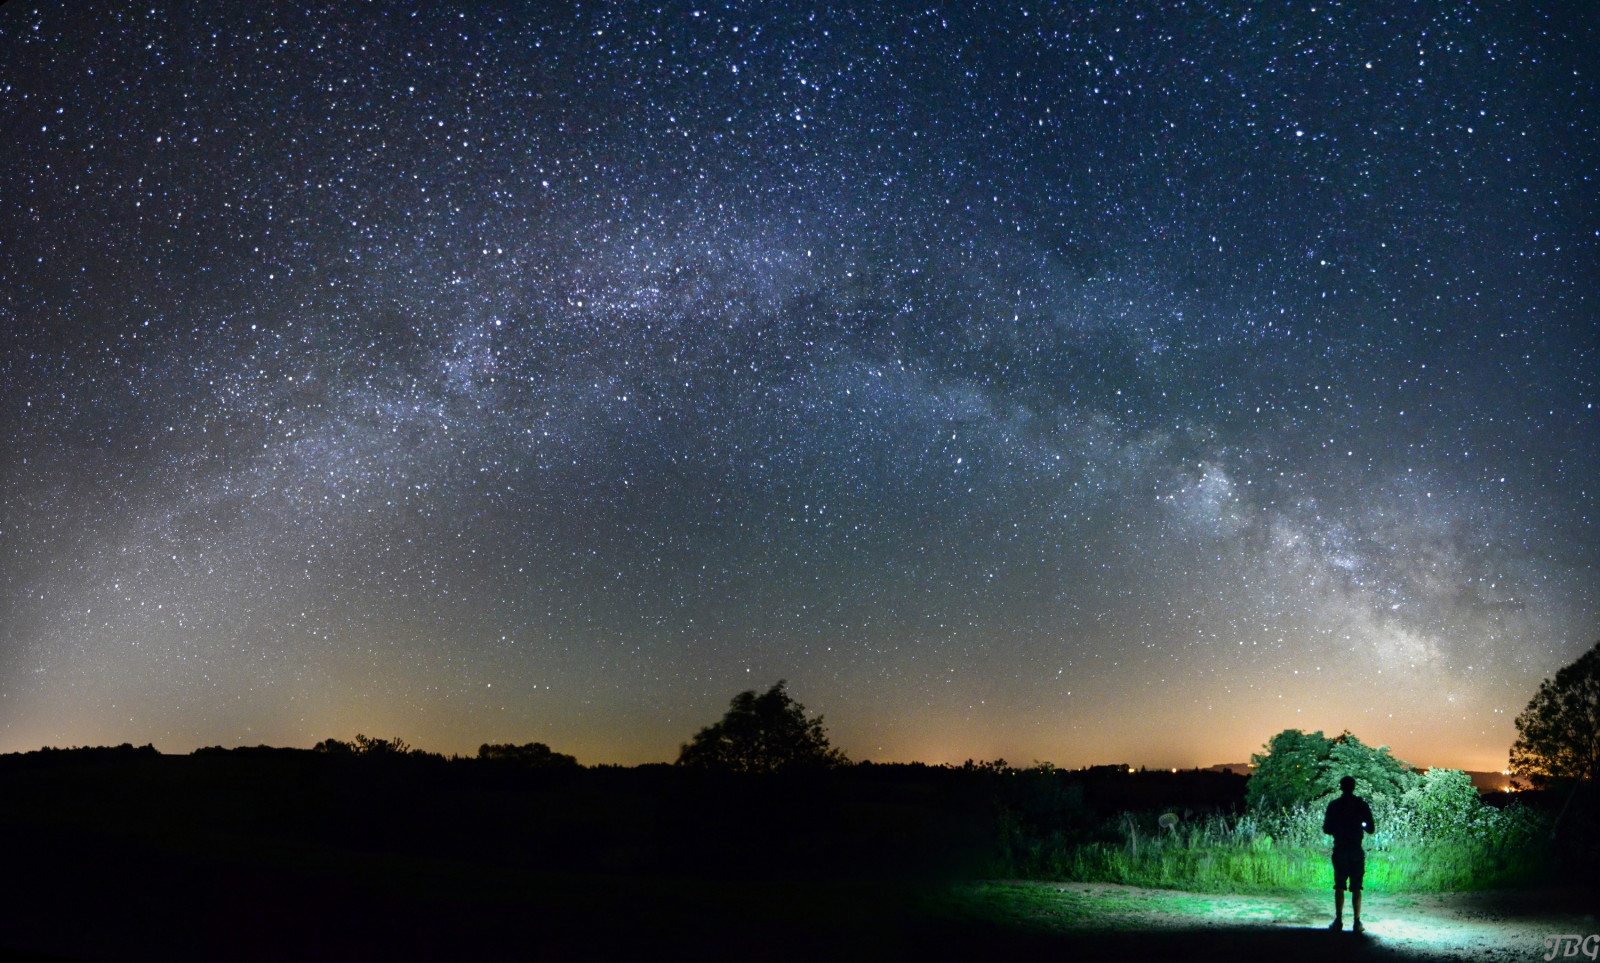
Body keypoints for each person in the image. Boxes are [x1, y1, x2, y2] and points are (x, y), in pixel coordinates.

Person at [1322, 775, 1375, 932]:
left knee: (1339, 885)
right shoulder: (1361, 805)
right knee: (1356, 887)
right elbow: (1371, 828)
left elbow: (1326, 828)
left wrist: (1338, 828)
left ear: (1341, 787)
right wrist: (1360, 824)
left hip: (1340, 848)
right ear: (1354, 787)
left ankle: (1338, 920)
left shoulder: (1334, 805)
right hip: (1355, 849)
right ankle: (1356, 922)